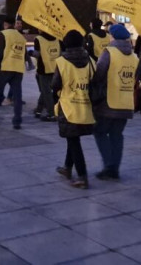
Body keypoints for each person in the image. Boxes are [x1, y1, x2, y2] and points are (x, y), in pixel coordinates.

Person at [91, 24, 137, 180]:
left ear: (113, 37)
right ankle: (115, 168)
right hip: (126, 102)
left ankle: (109, 166)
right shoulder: (134, 56)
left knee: (100, 132)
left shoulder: (109, 52)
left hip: (108, 101)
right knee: (117, 135)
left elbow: (99, 74)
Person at [52, 30, 95, 189]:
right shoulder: (91, 61)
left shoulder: (62, 62)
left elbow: (55, 84)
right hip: (86, 106)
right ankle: (67, 168)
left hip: (68, 106)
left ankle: (82, 176)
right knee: (73, 137)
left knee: (73, 140)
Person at [31, 30, 62, 121]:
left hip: (43, 69)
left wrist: (29, 54)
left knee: (46, 92)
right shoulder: (57, 39)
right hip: (55, 68)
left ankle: (51, 114)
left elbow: (37, 54)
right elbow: (60, 53)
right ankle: (39, 110)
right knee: (46, 90)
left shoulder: (38, 39)